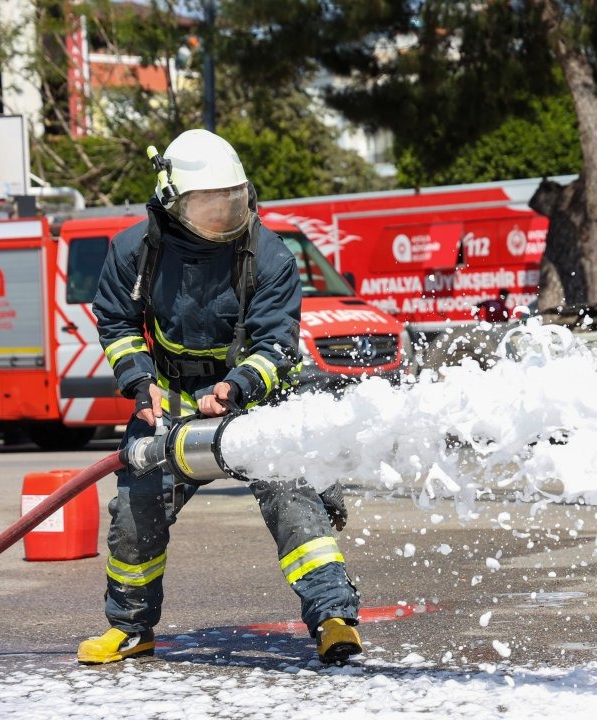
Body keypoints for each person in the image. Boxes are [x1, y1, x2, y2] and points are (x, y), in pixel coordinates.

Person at [77, 129, 361, 665]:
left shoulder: (267, 252)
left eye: (232, 202)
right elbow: (115, 323)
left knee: (292, 502)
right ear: (171, 199)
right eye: (208, 205)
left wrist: (236, 387)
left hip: (251, 400)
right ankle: (131, 629)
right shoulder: (133, 250)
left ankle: (333, 619)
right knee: (137, 511)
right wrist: (140, 386)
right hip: (170, 402)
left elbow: (276, 341)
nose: (224, 216)